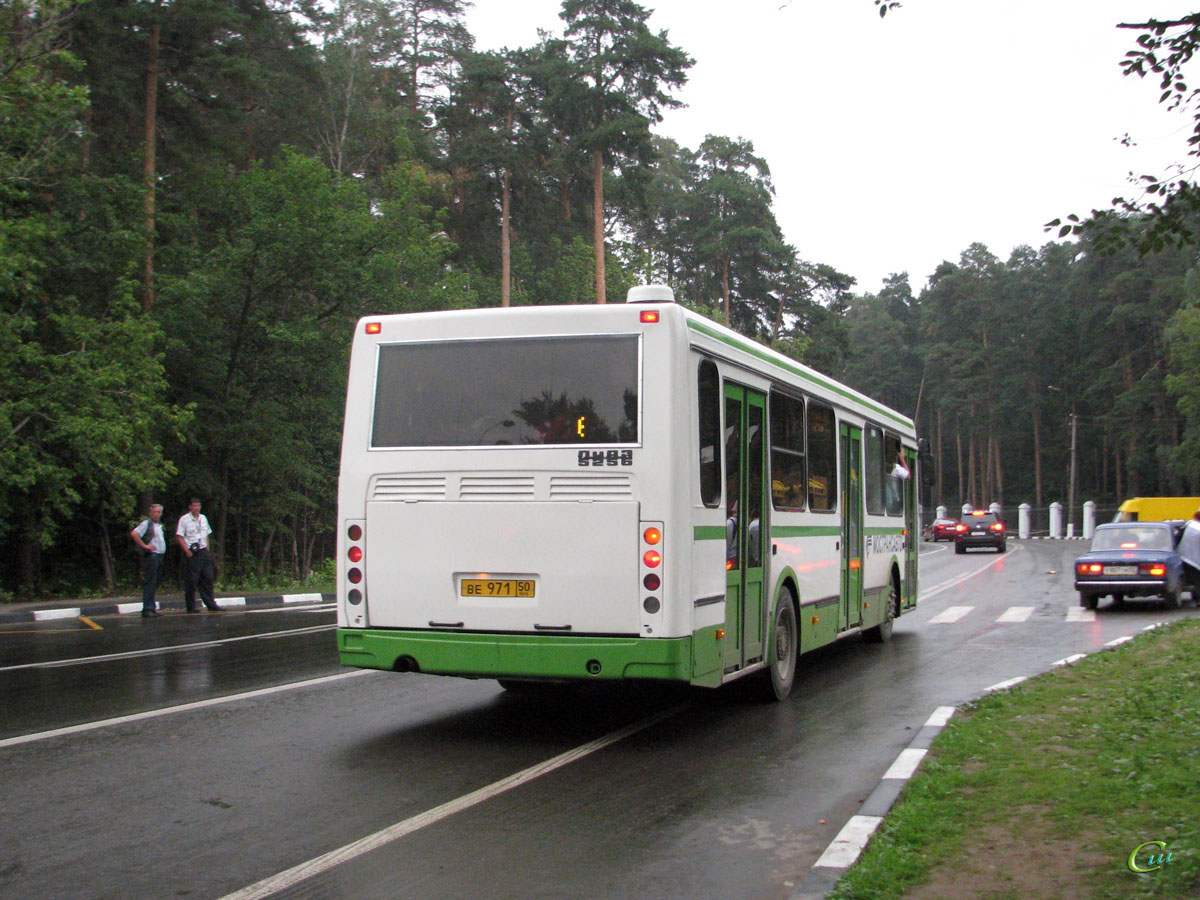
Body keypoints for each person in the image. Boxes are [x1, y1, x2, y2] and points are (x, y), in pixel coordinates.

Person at [176, 498, 222, 612]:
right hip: (192, 552)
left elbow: (206, 534)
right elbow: (179, 536)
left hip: (203, 551)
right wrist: (187, 551)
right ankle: (191, 606)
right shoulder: (184, 519)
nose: (196, 508)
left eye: (198, 506)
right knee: (192, 580)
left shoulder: (203, 518)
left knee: (208, 578)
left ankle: (211, 604)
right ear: (190, 507)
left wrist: (207, 548)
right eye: (194, 506)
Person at [130, 504, 167, 617]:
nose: (157, 514)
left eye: (159, 512)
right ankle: (147, 608)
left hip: (159, 556)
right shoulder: (147, 523)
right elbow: (134, 534)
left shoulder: (159, 525)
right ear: (150, 513)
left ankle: (151, 607)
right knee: (150, 582)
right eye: (155, 512)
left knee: (156, 581)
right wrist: (145, 546)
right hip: (152, 556)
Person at [1177, 508, 1200, 599]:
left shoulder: (1189, 524)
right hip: (1195, 559)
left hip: (1184, 557)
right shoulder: (1195, 527)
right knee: (1197, 581)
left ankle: (1197, 598)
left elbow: (1178, 537)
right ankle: (1198, 598)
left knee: (1196, 580)